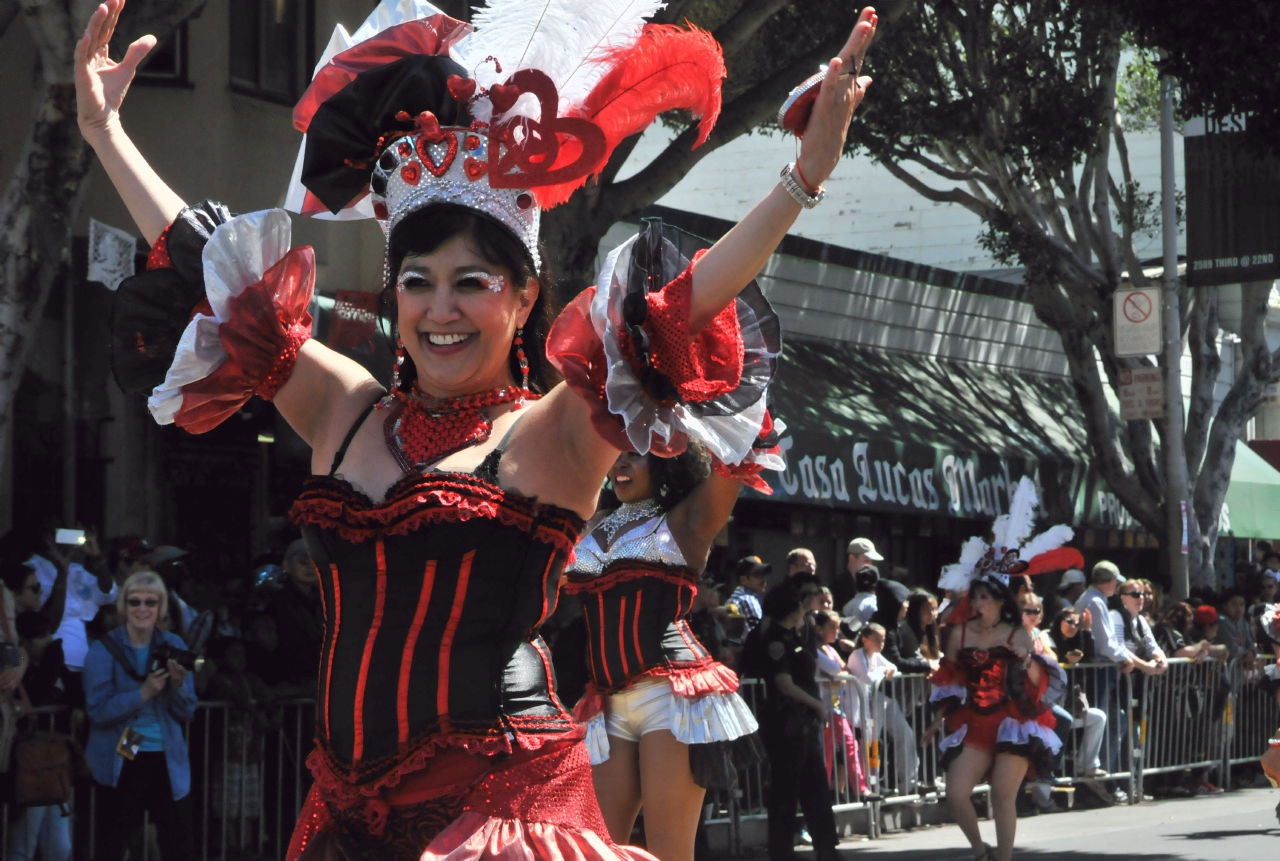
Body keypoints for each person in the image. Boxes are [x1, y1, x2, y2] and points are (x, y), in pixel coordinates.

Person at [79, 0, 879, 853]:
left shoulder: (553, 434)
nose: (440, 308)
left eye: (472, 281)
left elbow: (682, 305)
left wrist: (800, 178)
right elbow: (216, 276)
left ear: (525, 296)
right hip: (347, 813)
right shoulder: (345, 409)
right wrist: (104, 133)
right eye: (418, 281)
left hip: (499, 811)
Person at [565, 446, 765, 861]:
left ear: (667, 460)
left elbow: (737, 458)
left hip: (672, 696)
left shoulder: (684, 521)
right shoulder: (594, 521)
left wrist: (730, 407)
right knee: (597, 849)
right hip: (606, 703)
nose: (620, 463)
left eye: (635, 454)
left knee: (668, 852)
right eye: (616, 453)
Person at [83, 571, 197, 861]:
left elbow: (187, 710)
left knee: (178, 840)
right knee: (113, 839)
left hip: (167, 753)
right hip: (124, 752)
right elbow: (97, 710)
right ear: (124, 605)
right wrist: (142, 694)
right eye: (135, 602)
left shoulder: (174, 644)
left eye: (150, 602)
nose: (142, 609)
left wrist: (178, 686)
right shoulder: (103, 649)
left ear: (161, 607)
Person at [758, 583, 838, 861]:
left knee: (815, 786)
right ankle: (781, 851)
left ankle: (827, 848)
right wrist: (817, 705)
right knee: (785, 790)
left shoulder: (796, 638)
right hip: (786, 725)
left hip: (803, 725)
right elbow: (784, 683)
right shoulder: (776, 642)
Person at [9, 611, 74, 861]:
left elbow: (76, 692)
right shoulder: (17, 668)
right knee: (25, 842)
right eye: (38, 637)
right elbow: (36, 697)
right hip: (30, 761)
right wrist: (54, 660)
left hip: (56, 759)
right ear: (24, 641)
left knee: (60, 847)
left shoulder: (56, 664)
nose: (46, 641)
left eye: (47, 634)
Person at [847, 622, 919, 796]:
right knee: (871, 744)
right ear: (865, 640)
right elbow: (868, 677)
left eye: (883, 639)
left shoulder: (876, 656)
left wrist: (885, 670)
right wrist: (883, 672)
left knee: (905, 734)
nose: (881, 643)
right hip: (862, 706)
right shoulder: (857, 655)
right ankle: (871, 784)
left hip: (878, 701)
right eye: (877, 639)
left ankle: (908, 784)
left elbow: (892, 667)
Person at [814, 610, 867, 796]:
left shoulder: (830, 648)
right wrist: (840, 675)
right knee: (841, 747)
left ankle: (854, 788)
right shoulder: (817, 649)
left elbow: (844, 672)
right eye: (832, 627)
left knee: (839, 749)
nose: (836, 631)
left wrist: (840, 675)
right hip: (827, 707)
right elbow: (839, 673)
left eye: (837, 627)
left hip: (836, 706)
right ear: (819, 628)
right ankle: (858, 788)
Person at [265, 539, 324, 687]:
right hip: (293, 677)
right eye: (303, 562)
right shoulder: (279, 602)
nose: (310, 567)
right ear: (287, 566)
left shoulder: (325, 601)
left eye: (314, 562)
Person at [833, 538, 883, 613]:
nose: (870, 565)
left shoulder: (870, 583)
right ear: (852, 558)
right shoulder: (838, 585)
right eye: (866, 560)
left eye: (871, 561)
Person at [727, 557, 771, 636]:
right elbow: (759, 636)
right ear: (744, 580)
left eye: (764, 574)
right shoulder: (747, 600)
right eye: (758, 575)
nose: (764, 579)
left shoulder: (738, 596)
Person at [1216, 595, 1256, 662]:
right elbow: (1231, 647)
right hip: (1223, 666)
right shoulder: (1221, 621)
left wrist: (1252, 652)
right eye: (1234, 605)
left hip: (1239, 668)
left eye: (1242, 605)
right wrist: (1245, 654)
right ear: (1225, 606)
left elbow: (1250, 641)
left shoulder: (1243, 621)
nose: (1239, 609)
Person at [906, 588, 942, 661]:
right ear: (916, 610)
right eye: (926, 609)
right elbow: (915, 658)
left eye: (934, 609)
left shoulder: (932, 630)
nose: (932, 613)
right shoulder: (907, 631)